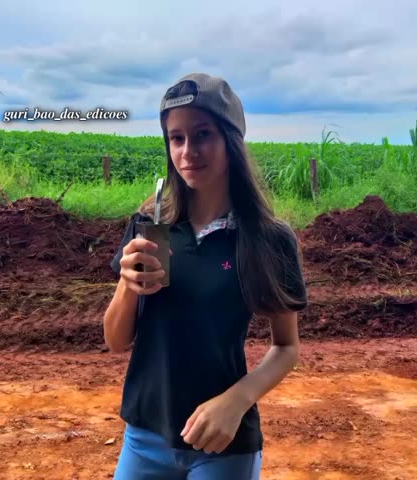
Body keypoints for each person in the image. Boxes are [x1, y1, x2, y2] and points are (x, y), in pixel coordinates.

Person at [104, 73, 308, 480]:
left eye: (202, 135)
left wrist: (236, 401)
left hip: (222, 444)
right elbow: (116, 341)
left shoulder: (268, 238)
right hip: (145, 435)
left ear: (231, 140)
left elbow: (286, 347)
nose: (188, 152)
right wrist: (128, 286)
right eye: (176, 138)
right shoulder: (151, 226)